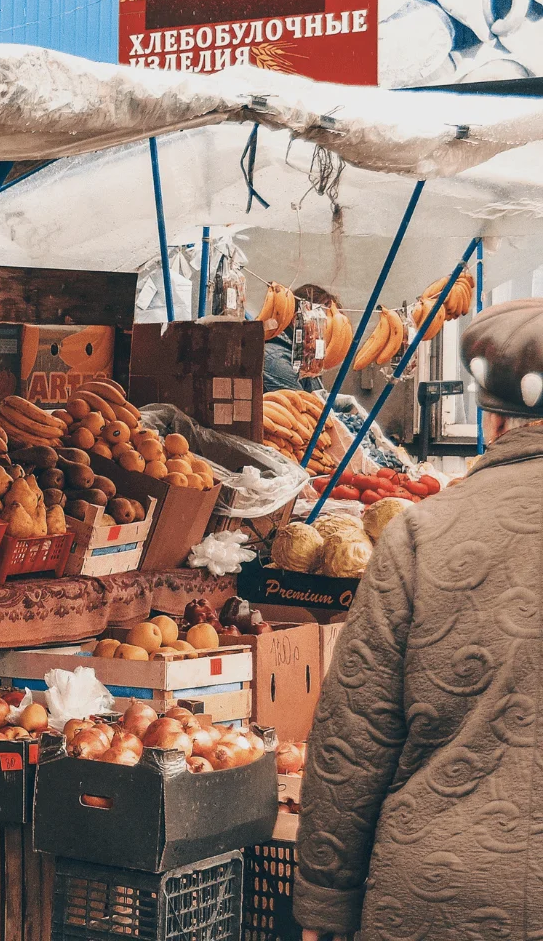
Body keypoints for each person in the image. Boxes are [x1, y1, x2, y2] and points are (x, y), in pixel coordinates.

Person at [294, 297, 543, 941]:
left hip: (441, 894)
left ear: (492, 419)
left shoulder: (422, 535)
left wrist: (325, 904)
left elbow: (352, 740)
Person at [263, 284, 339, 393]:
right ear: (297, 321)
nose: (325, 335)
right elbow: (304, 406)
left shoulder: (307, 360)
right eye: (321, 325)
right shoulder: (275, 360)